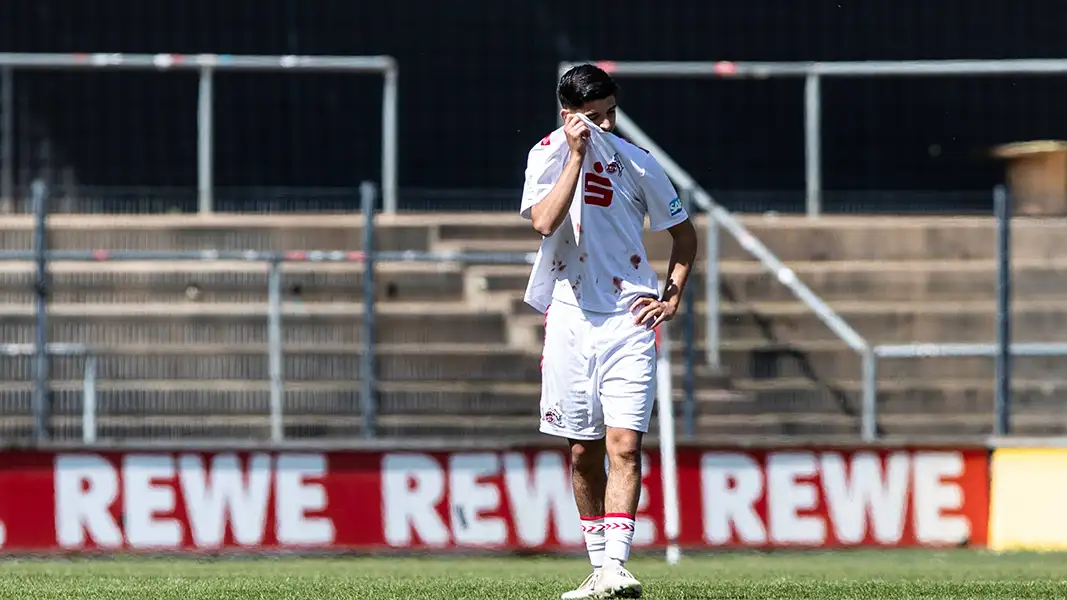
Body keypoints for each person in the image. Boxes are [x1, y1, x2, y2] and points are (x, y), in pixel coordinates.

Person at [519, 64, 698, 599]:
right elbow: (545, 223)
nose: (606, 125)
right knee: (582, 453)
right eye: (594, 117)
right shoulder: (545, 155)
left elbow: (684, 236)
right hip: (571, 316)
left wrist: (671, 297)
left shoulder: (639, 163)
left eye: (611, 114)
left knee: (624, 444)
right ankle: (599, 569)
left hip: (628, 318)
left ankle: (617, 565)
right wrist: (575, 155)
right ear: (568, 115)